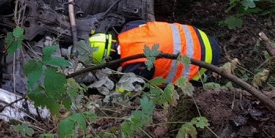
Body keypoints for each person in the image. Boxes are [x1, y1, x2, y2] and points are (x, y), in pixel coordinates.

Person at [88, 21, 220, 84]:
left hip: (206, 63)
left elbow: (127, 97)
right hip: (202, 37)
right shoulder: (130, 27)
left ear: (108, 60)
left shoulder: (134, 66)